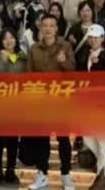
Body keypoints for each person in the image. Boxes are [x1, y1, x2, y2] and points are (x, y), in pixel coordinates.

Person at [27, 14, 75, 190]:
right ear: (40, 28)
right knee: (42, 139)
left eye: (51, 25)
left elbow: (73, 72)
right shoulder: (34, 48)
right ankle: (42, 174)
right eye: (45, 25)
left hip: (61, 100)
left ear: (56, 28)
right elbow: (29, 75)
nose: (48, 29)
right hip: (41, 100)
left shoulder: (65, 46)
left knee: (63, 139)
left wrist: (63, 62)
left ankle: (66, 175)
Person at [75, 24, 105, 190]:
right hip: (86, 101)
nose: (93, 40)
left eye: (96, 37)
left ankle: (102, 176)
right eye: (90, 37)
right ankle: (103, 163)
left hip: (102, 102)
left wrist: (97, 64)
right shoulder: (83, 54)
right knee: (87, 135)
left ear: (102, 38)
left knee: (102, 138)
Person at [0, 28, 27, 185]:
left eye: (11, 37)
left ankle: (10, 170)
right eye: (5, 38)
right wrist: (2, 62)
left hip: (16, 103)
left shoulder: (22, 57)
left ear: (16, 39)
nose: (9, 41)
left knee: (13, 139)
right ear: (1, 41)